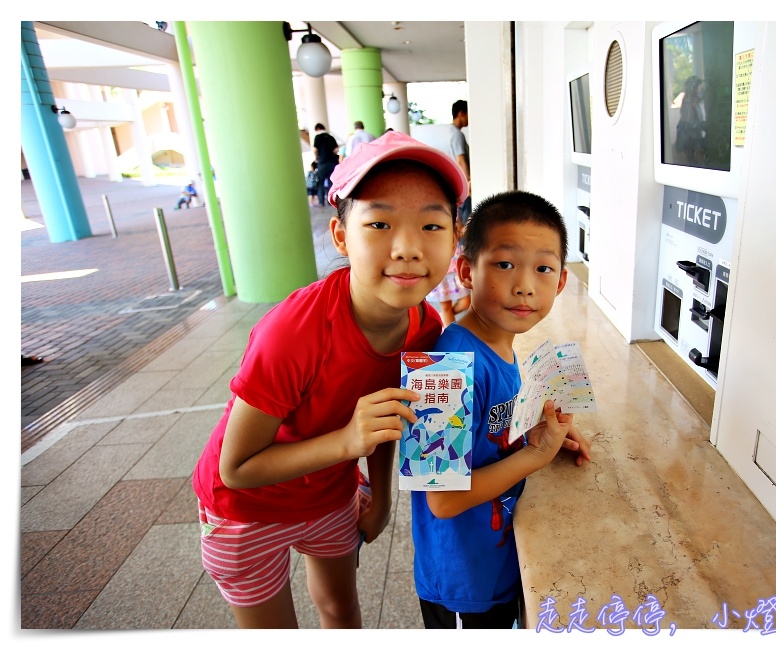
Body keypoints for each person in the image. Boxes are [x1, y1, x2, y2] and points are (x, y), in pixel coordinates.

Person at [192, 130, 468, 629]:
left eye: (431, 225)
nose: (407, 248)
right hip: (244, 511)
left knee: (341, 612)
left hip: (330, 498)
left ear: (455, 237)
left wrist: (381, 499)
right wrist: (347, 441)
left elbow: (389, 421)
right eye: (379, 223)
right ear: (342, 236)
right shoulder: (294, 331)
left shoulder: (426, 326)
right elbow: (237, 467)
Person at [411, 190, 592, 629]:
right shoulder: (443, 369)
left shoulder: (502, 346)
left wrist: (538, 432)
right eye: (505, 264)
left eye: (543, 268)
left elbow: (487, 428)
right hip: (462, 584)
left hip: (494, 561)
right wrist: (535, 456)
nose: (525, 284)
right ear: (466, 271)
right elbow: (442, 499)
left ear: (561, 282)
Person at [426, 219, 470, 327]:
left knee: (465, 302)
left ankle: (444, 318)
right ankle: (450, 331)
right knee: (446, 307)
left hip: (456, 275)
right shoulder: (436, 237)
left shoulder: (459, 236)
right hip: (442, 275)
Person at [674, 76, 707, 163]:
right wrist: (703, 125)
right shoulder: (688, 102)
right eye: (699, 86)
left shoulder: (694, 99)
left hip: (693, 135)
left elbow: (701, 96)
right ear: (694, 88)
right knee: (692, 160)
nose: (700, 88)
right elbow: (689, 122)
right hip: (689, 137)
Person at [449, 100, 472, 225]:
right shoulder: (457, 134)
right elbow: (461, 160)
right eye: (468, 113)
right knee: (466, 222)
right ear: (461, 113)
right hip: (463, 187)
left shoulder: (450, 133)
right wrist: (468, 182)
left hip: (456, 186)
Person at [312, 123, 339, 206]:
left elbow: (315, 150)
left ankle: (321, 202)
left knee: (320, 183)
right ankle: (330, 201)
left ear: (317, 129)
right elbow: (336, 149)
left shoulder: (317, 137)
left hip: (322, 163)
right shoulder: (330, 137)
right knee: (331, 182)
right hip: (332, 162)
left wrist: (316, 157)